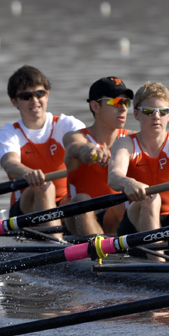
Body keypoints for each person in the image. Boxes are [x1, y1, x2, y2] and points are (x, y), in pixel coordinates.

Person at [0, 65, 85, 226]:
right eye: (25, 96)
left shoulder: (66, 124)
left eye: (39, 94)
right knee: (44, 186)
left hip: (63, 204)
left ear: (47, 96)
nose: (34, 100)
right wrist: (28, 173)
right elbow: (10, 163)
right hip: (25, 210)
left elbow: (83, 144)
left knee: (82, 198)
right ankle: (55, 243)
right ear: (14, 101)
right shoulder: (9, 133)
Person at [108, 81, 169, 240]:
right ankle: (158, 260)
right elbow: (114, 176)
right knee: (151, 198)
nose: (156, 117)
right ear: (136, 114)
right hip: (134, 225)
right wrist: (128, 182)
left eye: (162, 111)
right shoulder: (125, 143)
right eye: (148, 111)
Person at [63, 77, 133, 236]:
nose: (123, 108)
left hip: (115, 217)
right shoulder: (75, 136)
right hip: (78, 219)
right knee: (82, 199)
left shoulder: (131, 139)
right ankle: (100, 249)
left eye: (126, 102)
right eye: (116, 102)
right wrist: (91, 151)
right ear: (95, 106)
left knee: (122, 200)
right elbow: (77, 147)